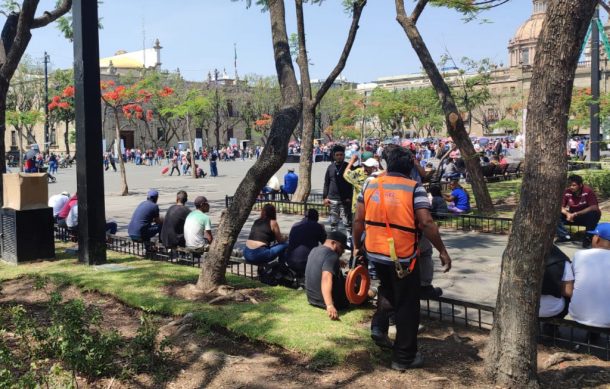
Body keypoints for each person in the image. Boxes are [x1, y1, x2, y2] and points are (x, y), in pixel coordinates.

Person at [353, 144, 452, 371]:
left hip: (375, 252)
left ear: (385, 164)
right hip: (403, 258)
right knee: (407, 304)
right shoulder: (413, 188)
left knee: (387, 290)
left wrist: (358, 247)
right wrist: (443, 251)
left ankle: (378, 328)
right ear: (410, 166)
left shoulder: (369, 184)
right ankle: (404, 357)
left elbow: (358, 220)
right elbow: (426, 222)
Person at [563, 222, 610, 328]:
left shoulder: (580, 255)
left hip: (579, 314)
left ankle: (550, 329)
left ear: (597, 239)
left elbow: (571, 282)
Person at [304, 231, 350, 319]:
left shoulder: (314, 250)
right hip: (330, 302)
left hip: (312, 299)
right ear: (333, 243)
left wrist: (337, 262)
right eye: (342, 247)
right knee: (365, 291)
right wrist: (329, 305)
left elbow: (320, 263)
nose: (343, 251)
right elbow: (326, 279)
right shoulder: (332, 256)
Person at [556, 175, 601, 247]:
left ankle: (588, 238)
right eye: (570, 185)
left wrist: (576, 213)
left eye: (574, 185)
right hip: (572, 216)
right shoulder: (567, 192)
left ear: (580, 185)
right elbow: (560, 207)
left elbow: (594, 207)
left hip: (586, 216)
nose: (571, 187)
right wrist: (567, 214)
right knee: (555, 214)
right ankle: (565, 236)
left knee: (593, 213)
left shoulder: (587, 191)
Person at [285, 209, 327, 276]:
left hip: (290, 260)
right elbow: (326, 243)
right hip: (306, 263)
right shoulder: (317, 226)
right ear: (316, 218)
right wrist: (323, 230)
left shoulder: (295, 225)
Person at [323, 145, 353, 232]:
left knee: (347, 222)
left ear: (344, 155)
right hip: (332, 199)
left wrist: (350, 197)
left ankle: (348, 240)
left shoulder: (348, 167)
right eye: (337, 155)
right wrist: (325, 197)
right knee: (333, 222)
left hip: (345, 200)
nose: (339, 156)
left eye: (341, 155)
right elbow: (326, 183)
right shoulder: (330, 167)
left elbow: (353, 184)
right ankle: (334, 239)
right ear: (334, 156)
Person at [539, 245, 572, 319]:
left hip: (520, 307)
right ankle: (552, 326)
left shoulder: (516, 256)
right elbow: (568, 292)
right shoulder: (562, 260)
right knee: (569, 298)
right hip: (552, 310)